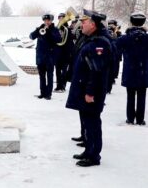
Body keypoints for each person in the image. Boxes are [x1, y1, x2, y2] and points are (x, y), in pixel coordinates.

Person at [66, 9, 112, 167]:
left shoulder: (99, 43)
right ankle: (88, 150)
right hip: (84, 88)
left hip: (91, 92)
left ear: (93, 24)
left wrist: (90, 92)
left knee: (92, 123)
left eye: (84, 22)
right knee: (87, 121)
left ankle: (93, 156)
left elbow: (96, 71)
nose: (82, 24)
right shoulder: (91, 39)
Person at [116, 13, 148, 125]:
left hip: (129, 71)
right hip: (143, 71)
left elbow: (115, 48)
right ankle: (140, 119)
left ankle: (130, 118)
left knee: (130, 96)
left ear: (131, 22)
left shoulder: (125, 38)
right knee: (142, 96)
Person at [29, 14, 62, 100]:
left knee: (50, 76)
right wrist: (38, 30)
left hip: (50, 57)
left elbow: (58, 39)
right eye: (45, 20)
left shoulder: (55, 30)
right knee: (41, 76)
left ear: (51, 21)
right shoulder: (40, 29)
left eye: (48, 20)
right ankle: (42, 93)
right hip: (40, 57)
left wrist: (49, 32)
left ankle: (48, 94)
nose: (47, 22)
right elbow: (31, 36)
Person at [54, 12, 74, 92]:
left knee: (64, 71)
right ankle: (58, 86)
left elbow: (71, 39)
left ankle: (63, 86)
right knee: (57, 70)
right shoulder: (56, 28)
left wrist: (70, 30)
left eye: (63, 17)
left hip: (66, 53)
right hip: (57, 53)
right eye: (60, 18)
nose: (61, 19)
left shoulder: (68, 29)